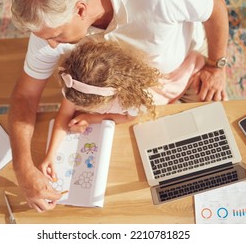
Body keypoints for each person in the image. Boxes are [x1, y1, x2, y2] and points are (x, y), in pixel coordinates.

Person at [9, 0, 229, 212]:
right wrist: (23, 168)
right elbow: (25, 95)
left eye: (57, 36)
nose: (50, 46)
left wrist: (215, 66)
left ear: (80, 10)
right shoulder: (50, 20)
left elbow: (215, 6)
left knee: (216, 146)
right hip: (128, 94)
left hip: (188, 69)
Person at [42, 39, 161, 183]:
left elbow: (128, 119)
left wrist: (91, 118)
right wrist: (50, 155)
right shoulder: (75, 83)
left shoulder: (133, 100)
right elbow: (64, 114)